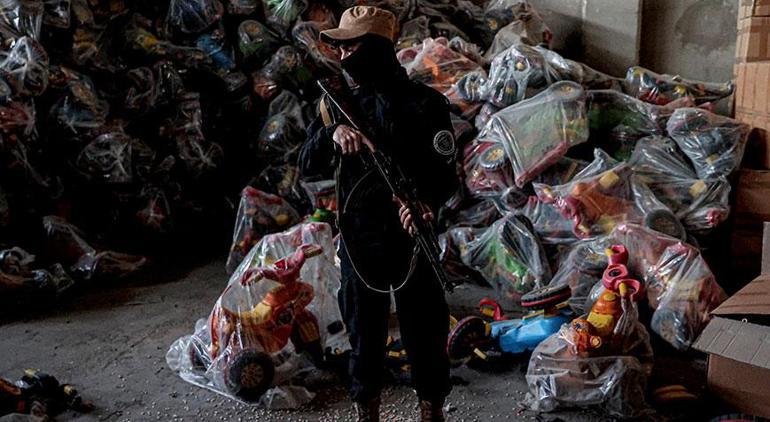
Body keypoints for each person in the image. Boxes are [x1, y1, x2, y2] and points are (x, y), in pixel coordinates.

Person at [298, 6, 459, 422]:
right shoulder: (336, 104)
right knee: (363, 332)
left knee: (424, 330)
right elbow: (305, 161)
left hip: (411, 235)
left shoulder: (427, 105)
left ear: (377, 48)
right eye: (343, 46)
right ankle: (365, 409)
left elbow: (447, 176)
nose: (345, 54)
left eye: (353, 44)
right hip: (358, 235)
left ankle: (431, 409)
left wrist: (424, 204)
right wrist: (333, 135)